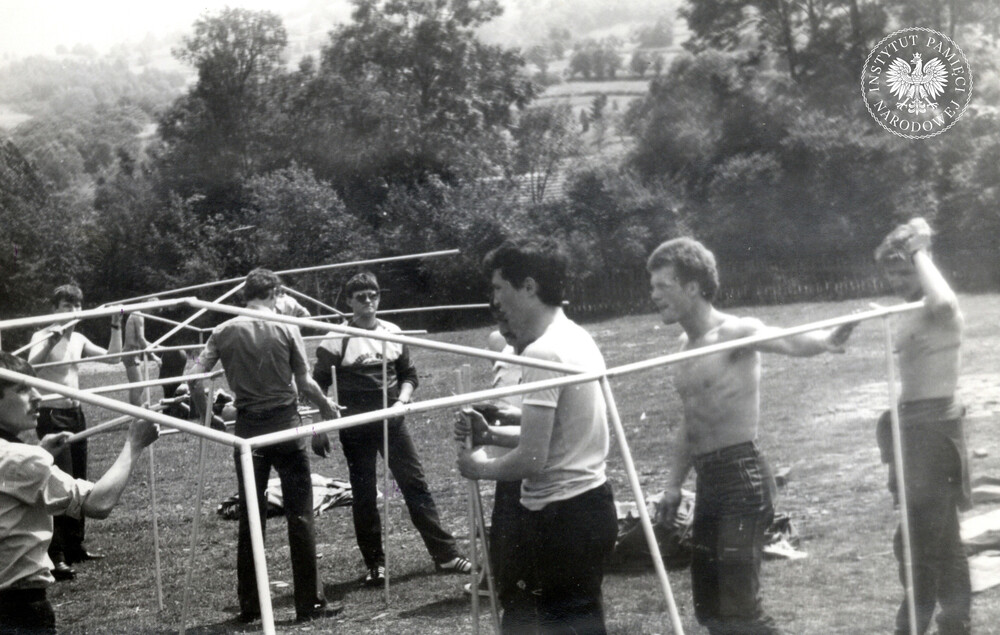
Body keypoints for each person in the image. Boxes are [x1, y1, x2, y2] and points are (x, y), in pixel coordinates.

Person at [645, 237, 856, 635]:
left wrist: (826, 341)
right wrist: (673, 484)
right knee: (712, 611)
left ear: (692, 287)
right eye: (652, 285)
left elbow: (787, 339)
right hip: (709, 482)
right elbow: (690, 421)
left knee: (741, 611)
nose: (653, 295)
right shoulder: (683, 347)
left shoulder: (734, 331)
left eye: (662, 285)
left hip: (742, 478)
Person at [456, 238, 618, 634]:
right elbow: (560, 435)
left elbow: (533, 460)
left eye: (498, 288)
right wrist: (492, 431)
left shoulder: (544, 353)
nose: (495, 301)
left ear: (528, 286)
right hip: (586, 507)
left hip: (562, 518)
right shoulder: (575, 336)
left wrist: (478, 466)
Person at [187, 268, 342, 624]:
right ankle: (309, 604)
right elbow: (304, 382)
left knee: (250, 520)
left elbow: (193, 377)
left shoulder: (223, 330)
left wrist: (205, 417)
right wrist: (324, 408)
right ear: (275, 293)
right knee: (300, 515)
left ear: (246, 295)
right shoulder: (287, 327)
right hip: (285, 429)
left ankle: (250, 605)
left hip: (246, 433)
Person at [312, 271, 471, 587]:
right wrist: (320, 426)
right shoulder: (334, 338)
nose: (368, 302)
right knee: (365, 494)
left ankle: (446, 555)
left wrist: (402, 402)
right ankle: (375, 565)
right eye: (361, 297)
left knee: (415, 484)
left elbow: (409, 375)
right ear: (349, 302)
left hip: (393, 422)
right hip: (355, 427)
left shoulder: (392, 332)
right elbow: (318, 386)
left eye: (373, 295)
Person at [0, 351, 159, 634]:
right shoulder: (22, 459)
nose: (38, 396)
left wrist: (38, 454)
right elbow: (99, 503)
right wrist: (134, 445)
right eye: (23, 389)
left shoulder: (19, 458)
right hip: (18, 611)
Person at [874, 218, 971, 635]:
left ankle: (910, 627)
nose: (897, 281)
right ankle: (955, 623)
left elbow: (946, 304)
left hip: (934, 428)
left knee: (916, 542)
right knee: (942, 539)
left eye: (905, 271)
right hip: (911, 428)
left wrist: (919, 249)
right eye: (891, 273)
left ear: (923, 267)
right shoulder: (909, 312)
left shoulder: (941, 309)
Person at [27, 284, 124, 580]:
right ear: (54, 308)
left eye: (77, 306)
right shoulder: (42, 335)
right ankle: (54, 555)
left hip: (76, 413)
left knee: (79, 477)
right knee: (60, 482)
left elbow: (112, 358)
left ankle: (74, 546)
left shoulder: (78, 338)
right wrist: (51, 339)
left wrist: (116, 324)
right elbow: (29, 367)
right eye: (67, 306)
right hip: (52, 414)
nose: (73, 312)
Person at [122, 307, 162, 407]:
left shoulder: (136, 314)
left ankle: (136, 413)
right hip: (131, 352)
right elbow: (141, 338)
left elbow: (141, 339)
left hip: (133, 352)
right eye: (153, 310)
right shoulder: (138, 315)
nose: (152, 313)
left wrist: (158, 346)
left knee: (136, 386)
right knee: (138, 386)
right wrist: (154, 356)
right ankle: (138, 414)